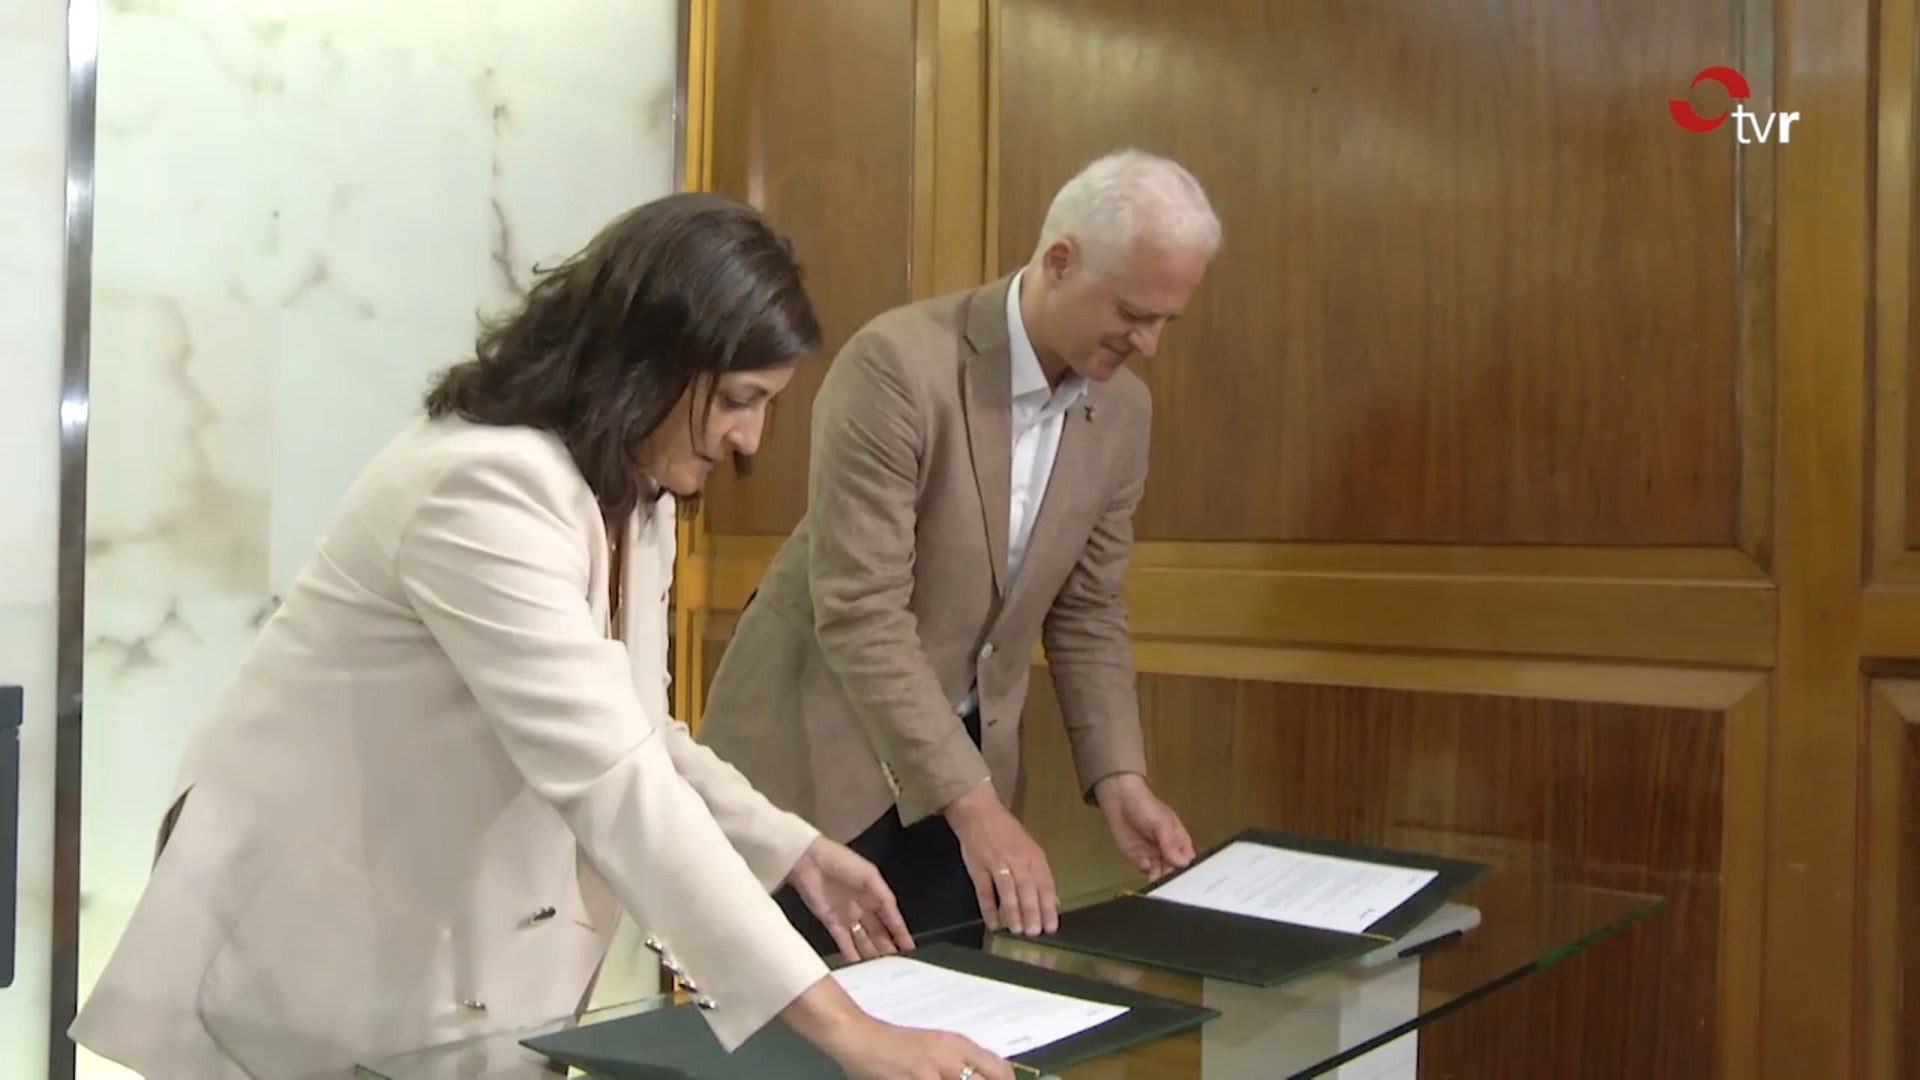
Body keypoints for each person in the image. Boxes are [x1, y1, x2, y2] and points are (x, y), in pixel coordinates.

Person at [68, 193, 1015, 1080]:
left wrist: (791, 850)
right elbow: (616, 779)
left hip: (435, 946)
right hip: (313, 937)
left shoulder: (633, 494)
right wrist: (848, 1030)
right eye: (738, 398)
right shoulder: (484, 485)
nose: (751, 440)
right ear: (650, 360)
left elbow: (642, 731)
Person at [695, 149, 1218, 953]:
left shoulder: (1124, 414)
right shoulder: (897, 365)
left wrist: (1120, 778)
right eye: (1132, 312)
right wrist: (977, 809)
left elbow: (1086, 610)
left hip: (961, 765)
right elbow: (862, 614)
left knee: (947, 1005)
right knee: (804, 1015)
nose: (1148, 343)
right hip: (815, 754)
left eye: (1165, 322)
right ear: (1060, 261)